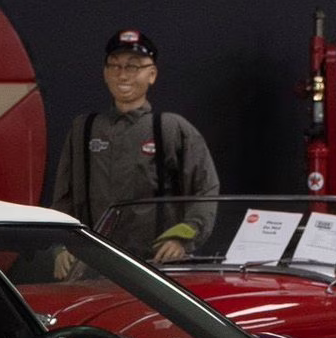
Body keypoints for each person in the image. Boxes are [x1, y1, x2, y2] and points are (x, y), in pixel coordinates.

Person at [50, 29, 219, 269]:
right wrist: (61, 245)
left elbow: (205, 189)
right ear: (105, 73)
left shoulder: (170, 128)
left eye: (133, 67)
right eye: (115, 66)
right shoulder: (85, 129)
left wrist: (182, 238)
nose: (123, 75)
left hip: (155, 267)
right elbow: (63, 197)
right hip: (94, 263)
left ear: (152, 74)